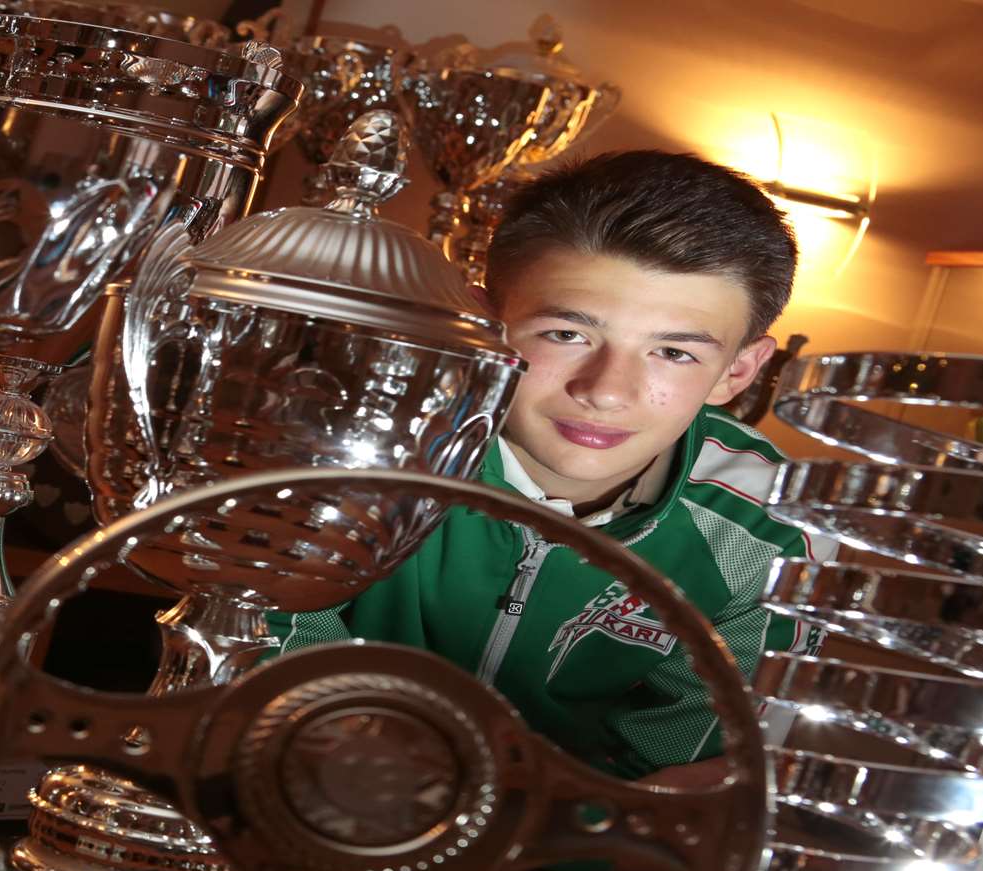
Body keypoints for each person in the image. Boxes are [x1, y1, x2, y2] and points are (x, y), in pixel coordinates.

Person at [272, 150, 835, 787]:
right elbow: (261, 675)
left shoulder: (769, 533)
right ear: (486, 322)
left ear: (738, 371)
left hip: (567, 864)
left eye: (673, 352)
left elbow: (686, 776)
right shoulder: (357, 441)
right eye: (567, 335)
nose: (606, 391)